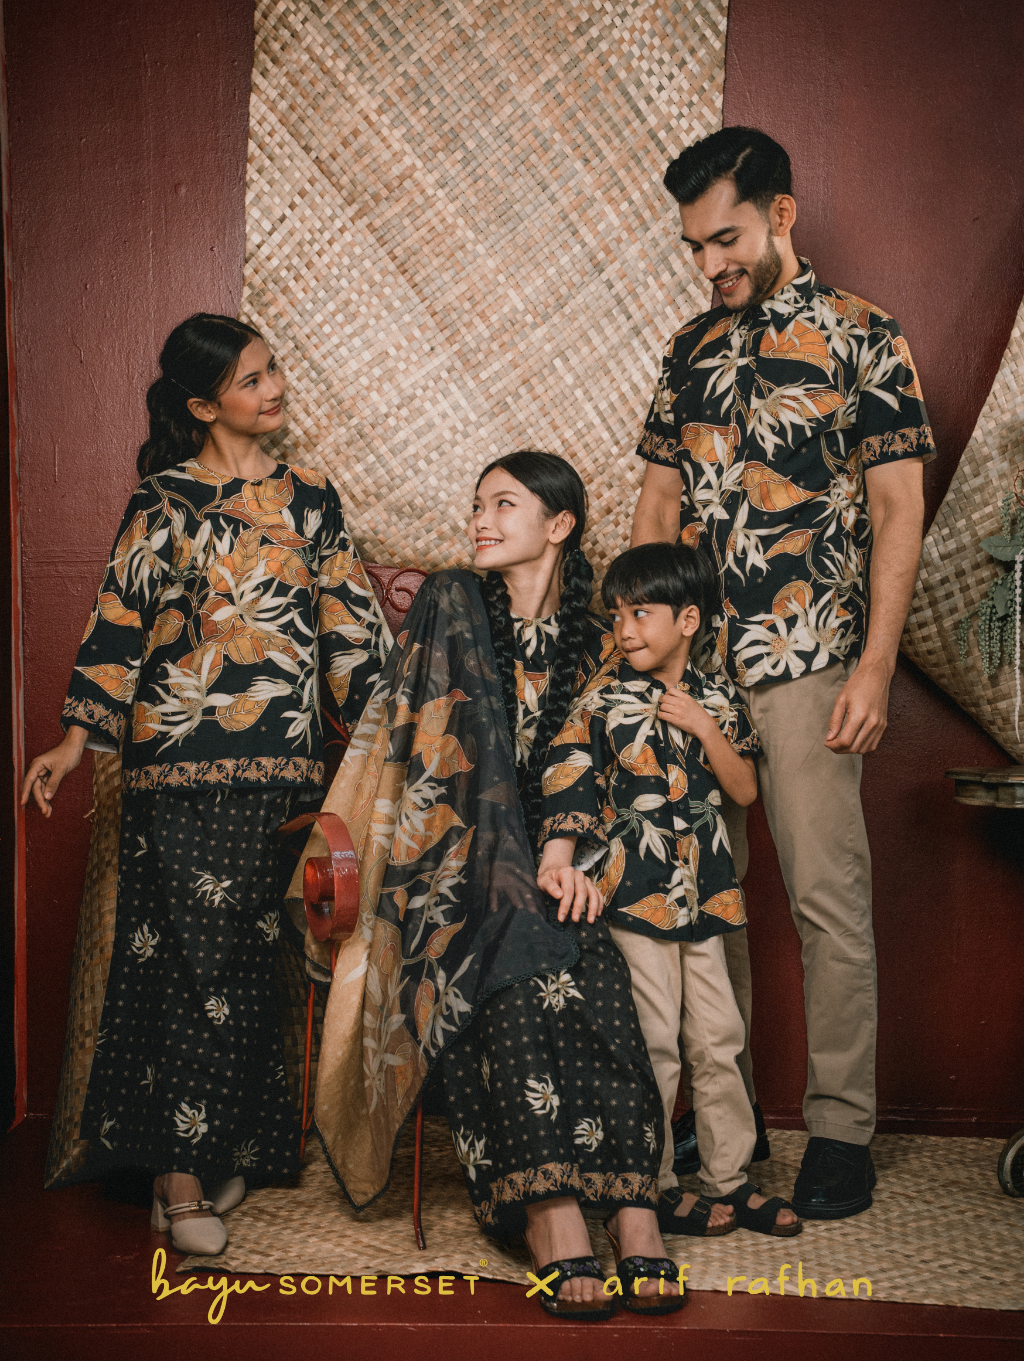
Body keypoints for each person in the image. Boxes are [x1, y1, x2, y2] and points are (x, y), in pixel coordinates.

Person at [22, 314, 389, 1253]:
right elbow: (118, 619)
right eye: (251, 380)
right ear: (202, 405)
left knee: (256, 964)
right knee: (188, 960)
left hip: (286, 764)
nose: (274, 388)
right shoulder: (164, 501)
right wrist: (74, 741)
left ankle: (225, 1146)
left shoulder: (311, 498)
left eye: (273, 369)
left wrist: (392, 731)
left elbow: (349, 624)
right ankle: (178, 1176)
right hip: (178, 764)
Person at [291, 451, 683, 1318]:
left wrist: (576, 858)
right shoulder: (453, 603)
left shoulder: (601, 640)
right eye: (477, 504)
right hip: (447, 867)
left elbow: (616, 769)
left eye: (504, 503)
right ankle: (549, 1211)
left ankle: (633, 1206)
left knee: (592, 968)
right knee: (508, 947)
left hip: (559, 869)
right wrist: (510, 865)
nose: (480, 519)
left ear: (560, 524)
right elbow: (429, 756)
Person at [631, 126, 934, 1219]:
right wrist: (643, 650)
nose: (709, 264)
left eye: (727, 239)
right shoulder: (686, 351)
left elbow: (898, 507)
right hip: (697, 668)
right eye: (694, 247)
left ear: (782, 215)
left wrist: (876, 663)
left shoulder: (864, 336)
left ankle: (841, 1130)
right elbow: (657, 504)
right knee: (700, 898)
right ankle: (729, 1120)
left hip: (808, 657)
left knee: (824, 898)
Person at [537, 541, 799, 1238]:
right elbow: (567, 781)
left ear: (687, 620)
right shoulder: (601, 701)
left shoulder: (717, 699)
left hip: (706, 896)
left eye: (641, 614)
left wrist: (706, 728)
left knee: (720, 1038)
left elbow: (745, 790)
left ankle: (728, 1178)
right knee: (654, 1041)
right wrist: (558, 858)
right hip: (636, 900)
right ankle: (646, 1185)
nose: (624, 630)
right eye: (617, 614)